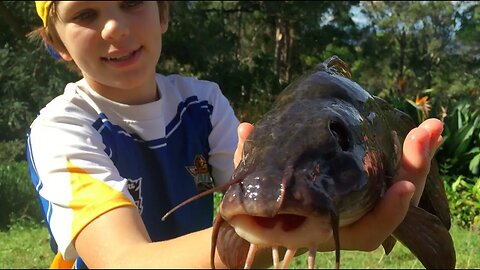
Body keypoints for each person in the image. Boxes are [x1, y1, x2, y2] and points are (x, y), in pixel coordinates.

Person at [25, 1, 444, 269]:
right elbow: (120, 261)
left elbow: (252, 224)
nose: (114, 26)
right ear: (55, 41)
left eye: (132, 1)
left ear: (164, 12)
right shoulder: (60, 128)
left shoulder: (204, 102)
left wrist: (283, 224)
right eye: (85, 14)